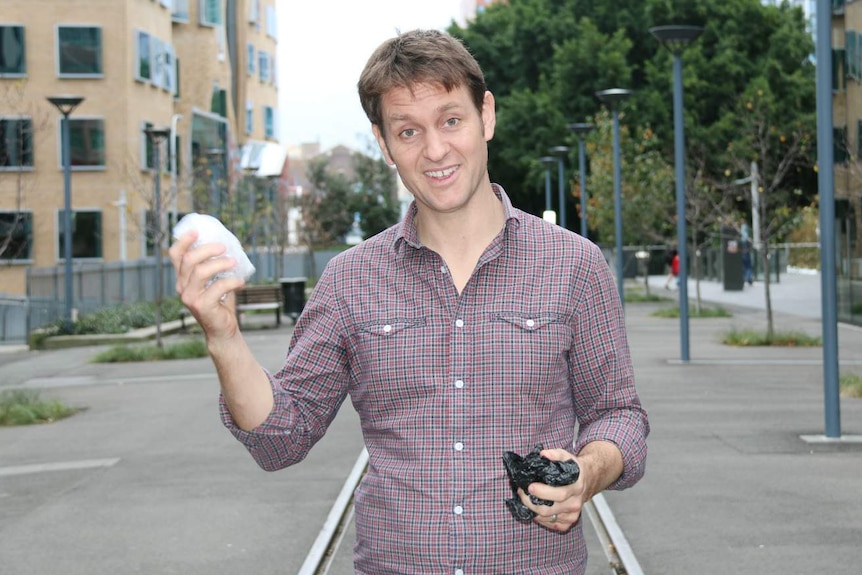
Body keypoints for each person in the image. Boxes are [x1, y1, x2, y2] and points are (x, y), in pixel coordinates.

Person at [169, 29, 649, 575]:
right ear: (383, 143)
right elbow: (282, 439)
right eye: (408, 131)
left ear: (486, 115)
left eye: (451, 120)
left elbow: (619, 415)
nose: (436, 150)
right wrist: (223, 337)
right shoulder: (351, 280)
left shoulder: (576, 266)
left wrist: (587, 473)